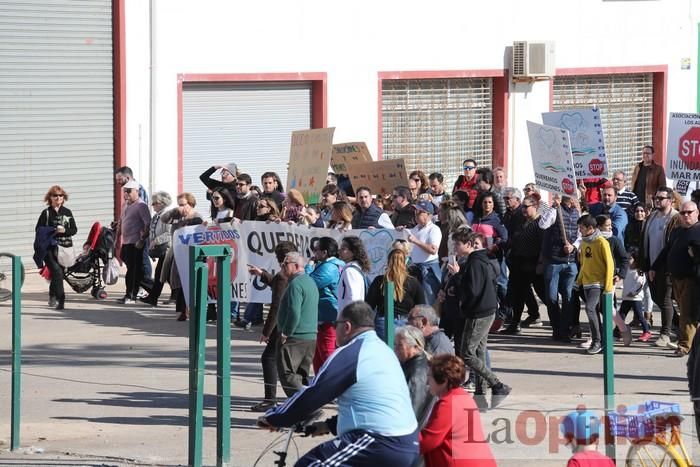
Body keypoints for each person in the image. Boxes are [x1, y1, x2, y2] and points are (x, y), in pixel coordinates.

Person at [259, 301, 419, 466]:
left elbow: (313, 394)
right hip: (407, 442)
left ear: (347, 326)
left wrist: (274, 417)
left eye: (336, 325)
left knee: (309, 463)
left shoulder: (352, 353)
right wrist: (327, 425)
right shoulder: (383, 350)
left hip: (378, 441)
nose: (335, 330)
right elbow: (373, 404)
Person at [451, 230, 511, 408]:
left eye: (457, 244)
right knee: (478, 351)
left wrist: (457, 276)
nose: (455, 247)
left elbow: (473, 290)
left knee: (467, 353)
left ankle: (497, 384)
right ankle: (480, 394)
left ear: (468, 245)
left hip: (479, 312)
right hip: (486, 309)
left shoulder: (475, 262)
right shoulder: (480, 259)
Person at [420, 354, 497, 467]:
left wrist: (399, 443)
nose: (427, 382)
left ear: (444, 381)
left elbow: (428, 441)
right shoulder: (463, 396)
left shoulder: (448, 404)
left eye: (429, 377)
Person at [248, 241, 298, 412]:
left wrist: (266, 331)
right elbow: (277, 284)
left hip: (282, 324)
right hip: (295, 322)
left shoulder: (283, 276)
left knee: (269, 359)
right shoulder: (292, 274)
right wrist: (262, 274)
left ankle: (270, 399)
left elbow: (276, 305)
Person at [652, 201, 700, 357]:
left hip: (692, 279)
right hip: (676, 278)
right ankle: (690, 342)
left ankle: (684, 346)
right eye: (683, 212)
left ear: (697, 213)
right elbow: (667, 250)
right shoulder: (677, 231)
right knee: (685, 311)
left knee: (687, 312)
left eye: (689, 212)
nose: (686, 215)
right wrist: (654, 266)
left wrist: (695, 255)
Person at [640, 187, 680, 349]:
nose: (657, 201)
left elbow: (673, 245)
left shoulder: (675, 218)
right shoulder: (653, 217)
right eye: (656, 198)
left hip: (667, 267)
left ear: (670, 200)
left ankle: (665, 333)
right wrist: (645, 263)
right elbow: (645, 240)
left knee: (664, 300)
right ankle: (681, 325)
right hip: (651, 265)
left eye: (661, 198)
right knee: (657, 298)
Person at [275, 251, 319, 397]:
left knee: (288, 373)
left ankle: (305, 407)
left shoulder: (296, 284)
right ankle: (305, 411)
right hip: (310, 336)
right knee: (301, 375)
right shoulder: (309, 281)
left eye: (285, 264)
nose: (282, 266)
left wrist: (286, 332)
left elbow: (294, 311)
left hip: (296, 336)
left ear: (295, 265)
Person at [501, 194, 545, 334]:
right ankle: (515, 323)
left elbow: (543, 246)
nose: (523, 209)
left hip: (533, 263)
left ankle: (561, 323)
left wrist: (540, 263)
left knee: (544, 294)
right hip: (518, 263)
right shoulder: (521, 222)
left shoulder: (540, 223)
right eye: (523, 207)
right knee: (518, 295)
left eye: (526, 207)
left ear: (535, 207)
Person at [539, 195, 580, 342]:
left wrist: (573, 246)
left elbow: (581, 234)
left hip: (570, 262)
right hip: (553, 261)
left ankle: (565, 329)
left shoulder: (578, 212)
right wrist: (553, 208)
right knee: (551, 298)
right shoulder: (555, 210)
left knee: (568, 298)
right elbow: (542, 224)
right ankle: (557, 328)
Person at [159, 193, 204, 320]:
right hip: (178, 252)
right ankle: (181, 309)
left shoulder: (196, 217)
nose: (181, 208)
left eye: (183, 205)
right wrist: (174, 210)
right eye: (179, 205)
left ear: (190, 204)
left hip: (190, 253)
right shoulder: (177, 216)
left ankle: (188, 310)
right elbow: (164, 219)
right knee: (177, 281)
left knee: (188, 282)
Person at [575, 214, 614, 355]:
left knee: (590, 309)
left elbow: (610, 265)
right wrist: (578, 280)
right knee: (594, 311)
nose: (580, 231)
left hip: (598, 283)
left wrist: (608, 286)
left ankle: (597, 341)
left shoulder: (602, 242)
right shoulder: (584, 242)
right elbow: (584, 265)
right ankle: (601, 340)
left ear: (590, 228)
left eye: (582, 228)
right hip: (586, 283)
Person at [366, 247, 426, 340]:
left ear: (388, 261)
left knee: (385, 352)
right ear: (404, 262)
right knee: (404, 353)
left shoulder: (379, 281)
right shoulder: (413, 282)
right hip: (406, 322)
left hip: (383, 321)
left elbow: (369, 305)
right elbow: (421, 306)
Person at [34, 185, 78, 310]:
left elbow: (74, 230)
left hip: (64, 248)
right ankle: (61, 299)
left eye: (60, 195)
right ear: (50, 198)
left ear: (63, 197)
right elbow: (38, 230)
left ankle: (52, 295)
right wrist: (52, 230)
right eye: (55, 195)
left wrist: (64, 230)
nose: (58, 197)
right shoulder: (46, 213)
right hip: (49, 248)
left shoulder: (67, 212)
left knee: (57, 273)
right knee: (57, 272)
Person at [305, 237, 345, 373]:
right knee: (318, 355)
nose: (314, 253)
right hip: (324, 314)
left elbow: (309, 284)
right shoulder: (334, 265)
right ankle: (320, 384)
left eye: (316, 250)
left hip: (328, 316)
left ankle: (331, 384)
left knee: (326, 353)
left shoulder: (329, 267)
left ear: (325, 252)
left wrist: (309, 266)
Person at [395, 325, 435, 428]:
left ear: (416, 347)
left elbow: (414, 410)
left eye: (400, 345)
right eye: (395, 345)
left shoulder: (417, 373)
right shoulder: (411, 364)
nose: (395, 349)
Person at [118, 180, 151, 305]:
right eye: (125, 191)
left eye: (129, 191)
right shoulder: (125, 204)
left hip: (136, 242)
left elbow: (147, 223)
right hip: (126, 242)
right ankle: (131, 293)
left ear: (137, 191)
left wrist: (142, 240)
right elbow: (122, 221)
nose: (126, 194)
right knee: (131, 269)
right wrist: (117, 237)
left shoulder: (141, 205)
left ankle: (132, 295)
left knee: (134, 270)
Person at [406, 200, 443, 305]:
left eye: (419, 212)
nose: (416, 214)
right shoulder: (415, 229)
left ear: (428, 214)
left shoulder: (434, 229)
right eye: (415, 212)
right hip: (416, 269)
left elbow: (433, 250)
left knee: (428, 302)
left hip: (428, 270)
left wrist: (416, 241)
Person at [139, 191, 172, 307]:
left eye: (155, 203)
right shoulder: (156, 216)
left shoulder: (167, 216)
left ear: (163, 203)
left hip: (167, 250)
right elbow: (152, 232)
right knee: (165, 276)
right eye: (152, 203)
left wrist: (156, 241)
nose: (153, 205)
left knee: (160, 275)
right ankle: (174, 296)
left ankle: (153, 298)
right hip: (160, 250)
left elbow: (170, 233)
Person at [618, 247, 652, 342]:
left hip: (635, 299)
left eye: (630, 259)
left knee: (640, 316)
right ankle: (617, 331)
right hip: (626, 298)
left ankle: (647, 332)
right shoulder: (626, 270)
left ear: (636, 260)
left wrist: (633, 293)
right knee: (621, 316)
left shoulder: (639, 271)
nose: (628, 261)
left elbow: (640, 284)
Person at [337, 236, 371, 313]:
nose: (339, 251)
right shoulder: (354, 268)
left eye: (343, 249)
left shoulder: (350, 271)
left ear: (353, 252)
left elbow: (354, 297)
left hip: (350, 319)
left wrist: (349, 320)